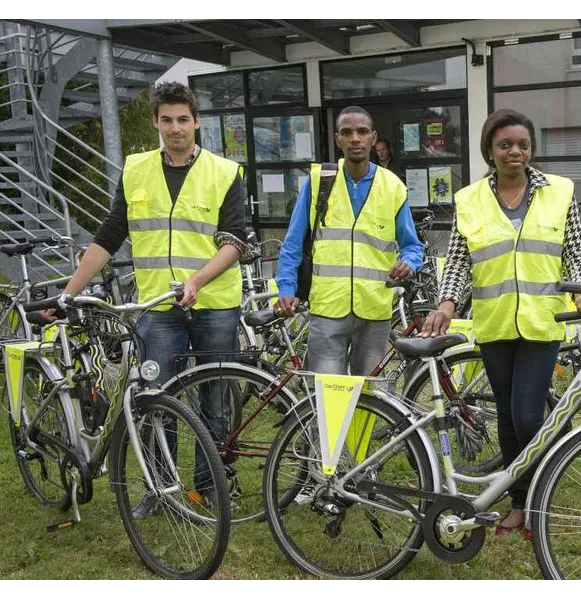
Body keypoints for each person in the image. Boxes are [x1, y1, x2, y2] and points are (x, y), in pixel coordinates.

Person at [48, 81, 253, 516]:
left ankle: (206, 486)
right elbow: (108, 237)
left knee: (215, 398)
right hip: (157, 308)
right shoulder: (136, 169)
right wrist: (69, 293)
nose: (175, 128)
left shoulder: (224, 172)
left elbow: (235, 242)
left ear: (197, 122)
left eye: (183, 119)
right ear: (156, 122)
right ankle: (160, 488)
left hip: (213, 303)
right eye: (167, 120)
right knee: (154, 399)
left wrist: (196, 280)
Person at [419, 108, 581, 540]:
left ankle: (538, 498)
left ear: (531, 150)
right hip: (494, 324)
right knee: (505, 416)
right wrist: (445, 304)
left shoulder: (559, 192)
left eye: (522, 144)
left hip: (542, 323)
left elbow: (574, 251)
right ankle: (518, 501)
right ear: (490, 151)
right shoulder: (470, 199)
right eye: (505, 145)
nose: (515, 151)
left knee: (526, 415)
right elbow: (460, 262)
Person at [275, 106, 423, 375]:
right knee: (329, 393)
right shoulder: (319, 181)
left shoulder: (392, 187)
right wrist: (286, 287)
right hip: (328, 307)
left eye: (362, 132)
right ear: (337, 139)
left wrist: (409, 263)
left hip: (375, 307)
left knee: (370, 392)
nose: (355, 138)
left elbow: (412, 245)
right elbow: (293, 243)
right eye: (347, 132)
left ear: (373, 138)